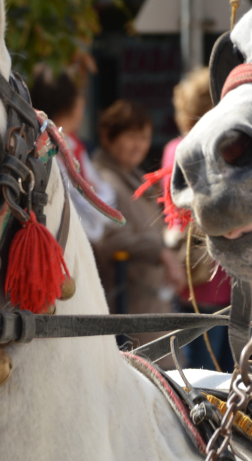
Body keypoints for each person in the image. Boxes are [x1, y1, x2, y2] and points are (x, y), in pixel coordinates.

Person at [92, 100, 185, 365]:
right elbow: (108, 237)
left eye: (144, 138)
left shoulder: (133, 177)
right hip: (126, 311)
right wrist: (160, 252)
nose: (139, 145)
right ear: (108, 137)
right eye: (131, 137)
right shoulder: (99, 180)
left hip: (153, 307)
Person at [164, 68, 234, 371]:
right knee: (229, 371)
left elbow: (174, 213)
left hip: (195, 274)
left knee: (202, 371)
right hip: (225, 272)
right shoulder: (221, 149)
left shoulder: (174, 149)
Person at [30, 63, 116, 244]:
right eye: (81, 96)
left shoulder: (71, 143)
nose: (83, 102)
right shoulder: (50, 147)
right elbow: (96, 207)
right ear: (71, 102)